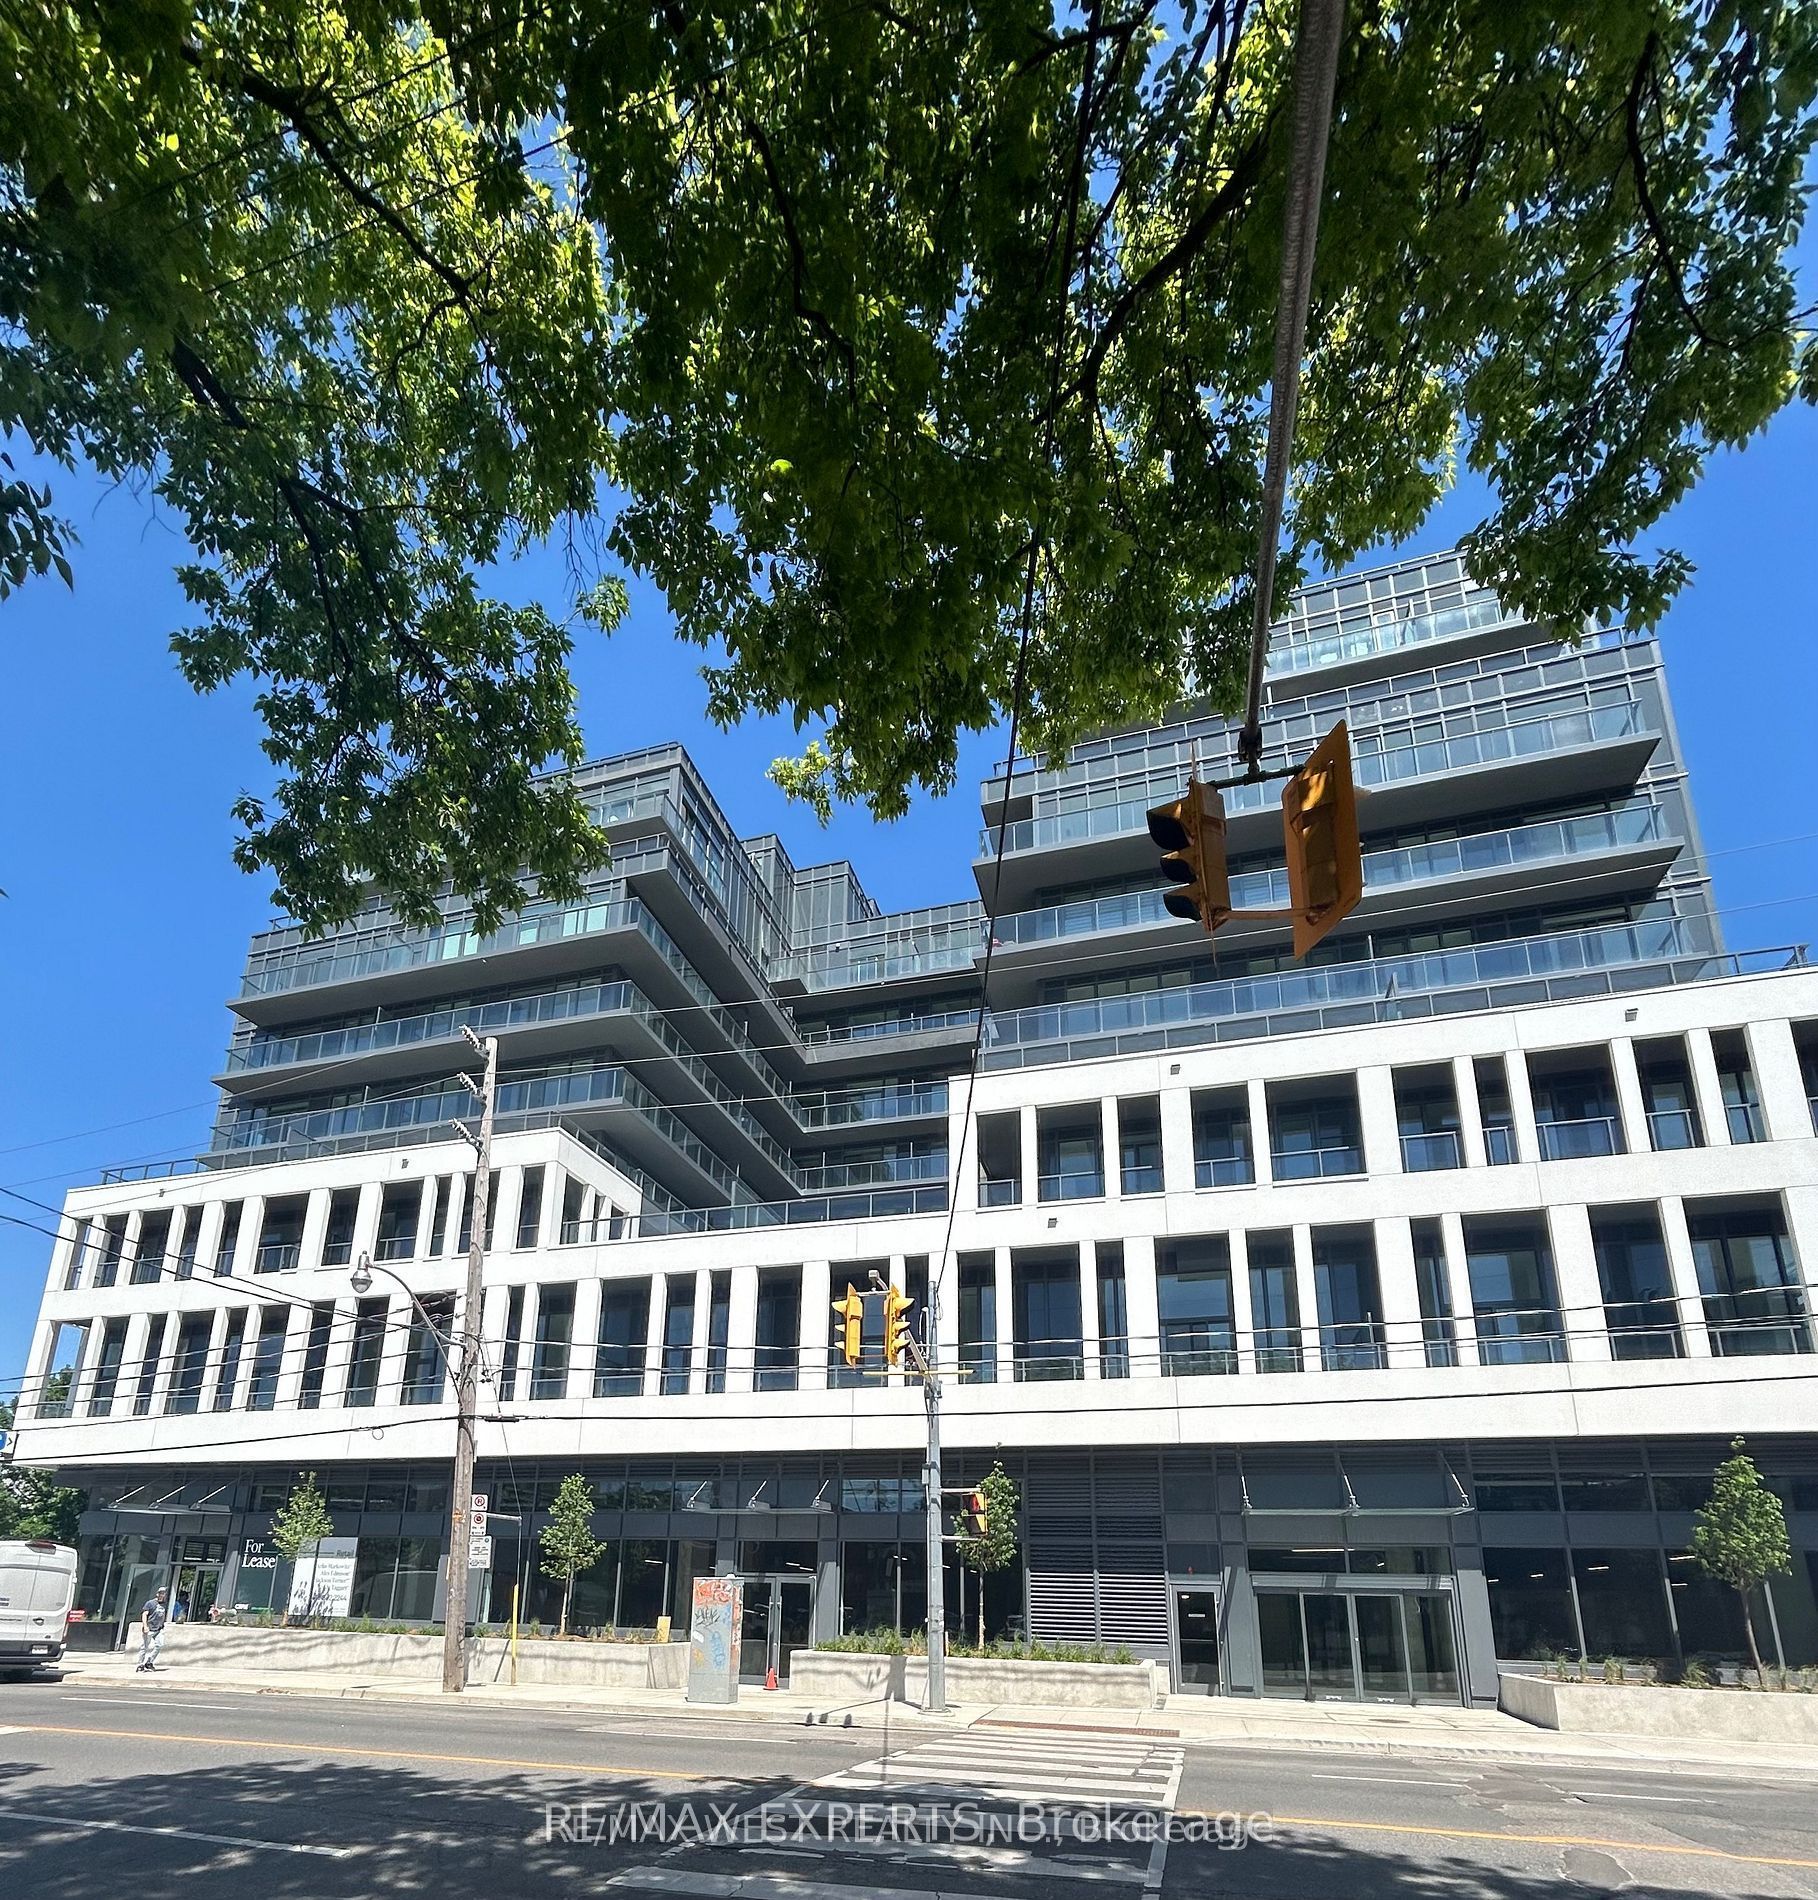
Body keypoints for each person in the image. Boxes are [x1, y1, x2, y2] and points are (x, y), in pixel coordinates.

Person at [136, 1586, 169, 1672]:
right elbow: (144, 1614)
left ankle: (149, 1662)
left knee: (159, 1645)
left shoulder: (164, 1604)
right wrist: (145, 1626)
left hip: (158, 1629)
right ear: (157, 1594)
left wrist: (162, 1625)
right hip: (150, 1628)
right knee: (144, 1647)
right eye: (160, 1593)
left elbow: (162, 1615)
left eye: (163, 1594)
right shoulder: (150, 1603)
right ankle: (140, 1664)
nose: (162, 1595)